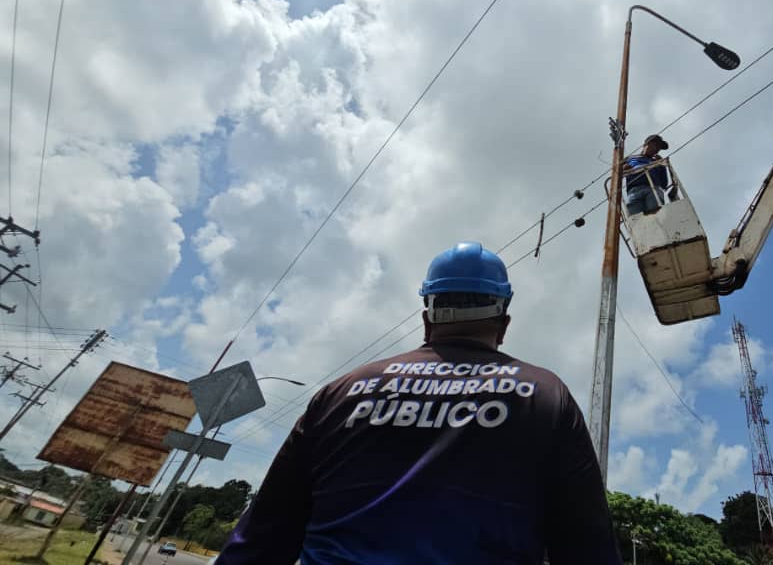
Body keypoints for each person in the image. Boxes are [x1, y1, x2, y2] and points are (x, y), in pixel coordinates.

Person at [215, 242, 621, 565]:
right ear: (503, 325)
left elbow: (261, 538)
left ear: (427, 318)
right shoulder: (546, 395)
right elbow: (586, 546)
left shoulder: (343, 391)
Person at [624, 134, 675, 216]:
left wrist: (662, 166)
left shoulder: (657, 162)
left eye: (659, 148)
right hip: (633, 191)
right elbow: (617, 173)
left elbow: (664, 184)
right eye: (655, 146)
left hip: (653, 190)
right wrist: (624, 168)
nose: (657, 150)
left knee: (657, 217)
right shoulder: (630, 158)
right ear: (646, 144)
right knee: (636, 220)